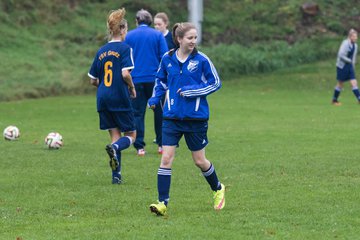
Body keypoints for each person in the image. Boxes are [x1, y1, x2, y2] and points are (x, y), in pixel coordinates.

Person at [148, 22, 225, 216]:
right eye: (190, 38)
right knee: (166, 159)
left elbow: (215, 83)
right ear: (179, 39)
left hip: (195, 119)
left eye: (195, 38)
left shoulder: (201, 60)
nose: (193, 41)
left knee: (199, 161)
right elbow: (161, 81)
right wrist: (155, 97)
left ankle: (217, 188)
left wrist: (193, 91)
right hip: (171, 117)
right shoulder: (167, 58)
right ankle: (162, 203)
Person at [88, 8, 136, 184]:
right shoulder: (125, 49)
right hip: (119, 96)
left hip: (102, 98)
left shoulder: (101, 51)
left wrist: (104, 88)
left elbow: (93, 80)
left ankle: (116, 177)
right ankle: (115, 148)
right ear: (122, 30)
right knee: (131, 135)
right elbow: (125, 74)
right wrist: (131, 87)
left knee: (115, 135)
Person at [125, 9, 168, 156]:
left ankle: (139, 147)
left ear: (137, 21)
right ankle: (161, 145)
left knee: (137, 113)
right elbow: (164, 57)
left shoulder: (129, 35)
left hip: (135, 80)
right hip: (155, 80)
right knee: (159, 112)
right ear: (150, 21)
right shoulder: (157, 35)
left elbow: (125, 58)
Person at [332, 29, 359, 105]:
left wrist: (352, 65)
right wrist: (349, 60)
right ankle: (334, 100)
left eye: (356, 36)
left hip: (349, 66)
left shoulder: (355, 45)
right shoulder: (345, 43)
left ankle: (359, 98)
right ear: (350, 36)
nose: (356, 38)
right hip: (342, 66)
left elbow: (353, 57)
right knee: (340, 83)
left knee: (354, 82)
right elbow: (340, 55)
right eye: (354, 36)